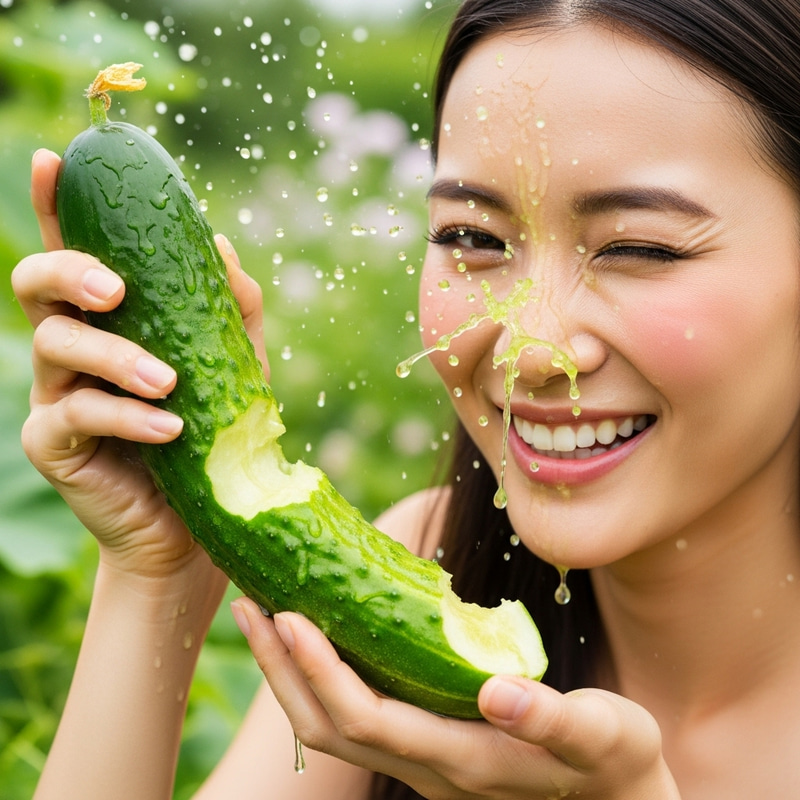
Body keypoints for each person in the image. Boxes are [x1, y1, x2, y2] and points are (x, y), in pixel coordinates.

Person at [11, 0, 800, 796]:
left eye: (640, 248)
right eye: (474, 238)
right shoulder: (426, 556)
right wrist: (158, 572)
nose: (532, 349)